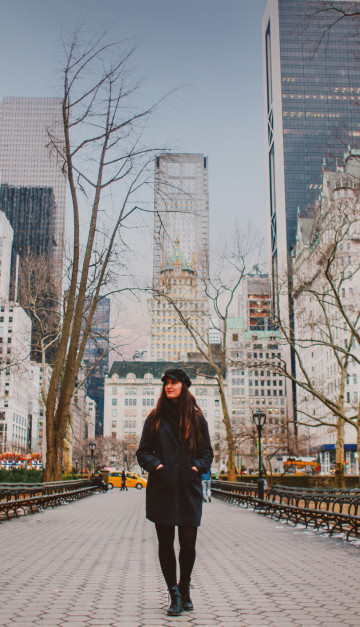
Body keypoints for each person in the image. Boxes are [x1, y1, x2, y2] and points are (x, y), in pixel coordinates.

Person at [136, 368, 213, 617]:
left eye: (174, 383)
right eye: (166, 383)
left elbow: (207, 453)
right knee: (166, 544)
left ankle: (184, 587)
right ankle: (174, 594)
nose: (169, 386)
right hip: (163, 488)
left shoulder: (197, 418)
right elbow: (143, 452)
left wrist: (196, 467)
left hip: (188, 488)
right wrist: (158, 466)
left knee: (188, 545)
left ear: (184, 386)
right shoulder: (155, 417)